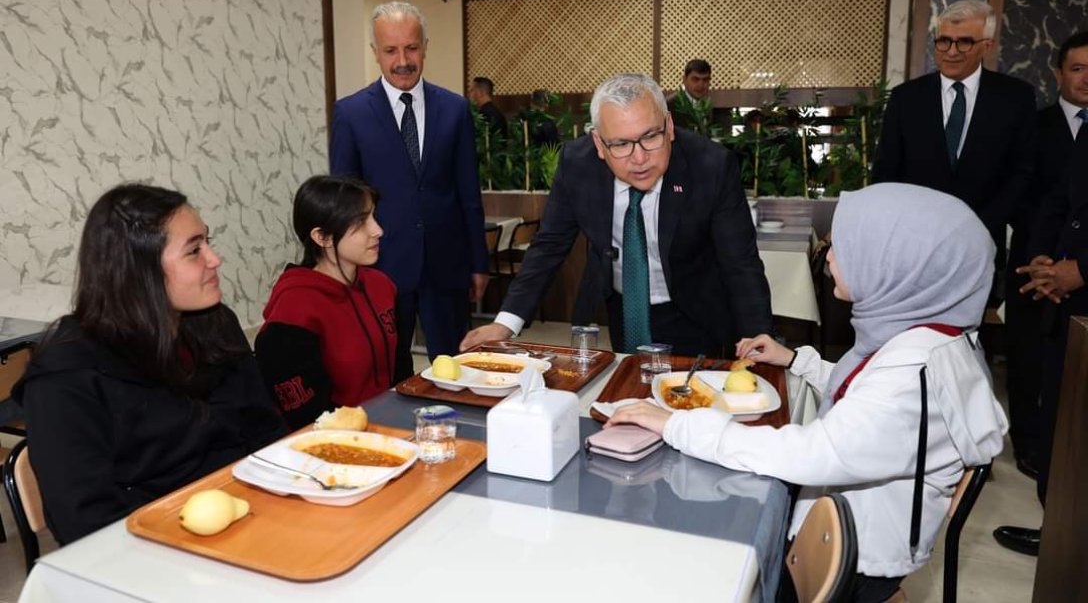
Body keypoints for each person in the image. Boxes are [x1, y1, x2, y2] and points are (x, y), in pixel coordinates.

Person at [608, 184, 1008, 600]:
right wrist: (798, 361)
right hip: (859, 531)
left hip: (852, 561)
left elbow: (814, 453)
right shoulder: (934, 338)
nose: (829, 256)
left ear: (896, 264)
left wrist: (678, 424)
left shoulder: (913, 377)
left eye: (844, 245)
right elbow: (872, 389)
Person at [11, 184, 287, 545]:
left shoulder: (214, 325)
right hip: (152, 548)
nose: (214, 258)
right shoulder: (67, 376)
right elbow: (84, 523)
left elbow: (267, 433)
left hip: (252, 517)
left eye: (207, 241)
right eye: (194, 250)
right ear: (139, 271)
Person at [461, 73, 772, 356]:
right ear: (598, 143)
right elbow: (549, 245)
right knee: (630, 397)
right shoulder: (577, 165)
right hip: (626, 309)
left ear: (670, 126)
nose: (639, 158)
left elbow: (740, 263)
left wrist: (759, 339)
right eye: (621, 144)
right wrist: (505, 323)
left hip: (698, 311)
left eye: (651, 137)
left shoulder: (712, 166)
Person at [329, 1, 489, 380]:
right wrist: (345, 265)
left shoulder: (454, 109)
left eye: (411, 48)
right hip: (381, 265)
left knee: (455, 368)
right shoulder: (351, 114)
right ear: (375, 52)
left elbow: (469, 192)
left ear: (425, 46)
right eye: (390, 50)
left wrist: (478, 262)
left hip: (446, 264)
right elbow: (344, 201)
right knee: (389, 368)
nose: (403, 60)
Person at [873, 0, 1035, 289]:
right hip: (914, 248)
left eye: (964, 43)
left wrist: (977, 226)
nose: (951, 51)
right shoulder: (906, 98)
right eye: (944, 41)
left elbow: (1022, 173)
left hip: (982, 243)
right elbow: (886, 173)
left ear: (986, 45)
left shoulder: (1016, 98)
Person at [994, 73, 1088, 557]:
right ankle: (1059, 531)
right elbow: (1058, 202)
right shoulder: (1053, 128)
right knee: (1060, 410)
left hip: (1080, 288)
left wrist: (1083, 269)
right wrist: (1043, 259)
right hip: (1058, 291)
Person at [255, 176, 397, 430]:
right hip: (334, 444)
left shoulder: (381, 286)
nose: (378, 230)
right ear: (322, 237)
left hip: (392, 425)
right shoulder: (293, 312)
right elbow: (307, 419)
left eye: (374, 217)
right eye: (360, 222)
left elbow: (401, 375)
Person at [666, 59, 729, 133]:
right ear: (684, 80)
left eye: (705, 80)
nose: (700, 85)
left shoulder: (707, 106)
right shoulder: (670, 105)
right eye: (695, 79)